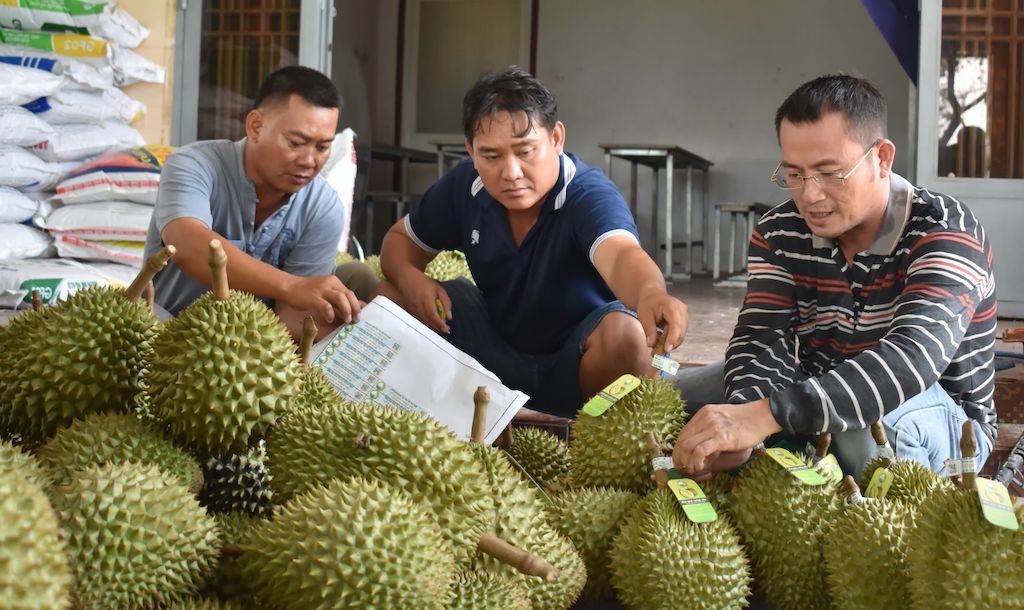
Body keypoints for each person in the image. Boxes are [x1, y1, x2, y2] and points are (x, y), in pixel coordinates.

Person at [673, 74, 997, 480]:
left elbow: (911, 360)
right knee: (674, 396)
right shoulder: (779, 233)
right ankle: (786, 450)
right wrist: (741, 417)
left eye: (830, 172)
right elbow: (762, 339)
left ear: (882, 158)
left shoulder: (945, 231)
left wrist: (768, 415)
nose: (810, 195)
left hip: (940, 418)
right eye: (794, 174)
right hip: (817, 385)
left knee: (866, 423)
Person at [373, 66, 689, 417]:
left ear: (556, 139)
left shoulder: (587, 194)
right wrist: (411, 278)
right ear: (471, 151)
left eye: (525, 151)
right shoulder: (465, 187)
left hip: (577, 363)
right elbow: (400, 240)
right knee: (389, 299)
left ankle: (581, 425)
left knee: (628, 338)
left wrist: (650, 293)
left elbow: (620, 256)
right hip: (493, 352)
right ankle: (454, 413)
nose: (511, 173)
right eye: (491, 156)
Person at [143, 65, 378, 340]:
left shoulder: (322, 206)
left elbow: (289, 318)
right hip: (169, 331)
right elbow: (186, 245)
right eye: (296, 143)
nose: (309, 161)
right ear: (255, 126)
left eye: (322, 147)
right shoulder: (193, 165)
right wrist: (291, 286)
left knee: (358, 277)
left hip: (252, 344)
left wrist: (332, 323)